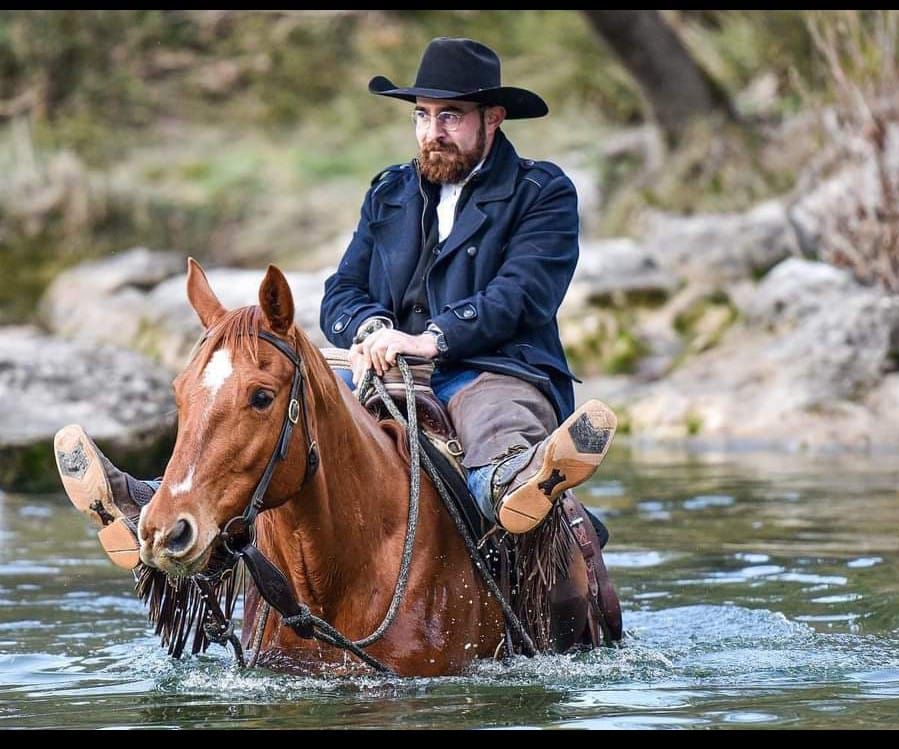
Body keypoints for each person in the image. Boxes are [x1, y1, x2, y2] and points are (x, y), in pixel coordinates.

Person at [55, 37, 617, 570]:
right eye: (422, 115)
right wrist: (372, 327)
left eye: (450, 116)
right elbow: (341, 291)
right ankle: (156, 504)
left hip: (494, 368)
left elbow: (523, 293)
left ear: (492, 118)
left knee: (493, 430)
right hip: (381, 370)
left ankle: (523, 483)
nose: (432, 132)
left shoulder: (541, 192)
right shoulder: (390, 190)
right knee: (257, 415)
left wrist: (432, 339)